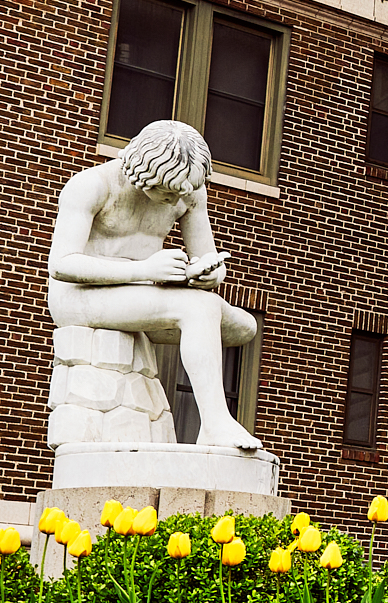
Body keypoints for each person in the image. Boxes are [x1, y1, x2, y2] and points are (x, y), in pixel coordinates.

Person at [47, 119, 260, 451]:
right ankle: (216, 424)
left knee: (243, 326)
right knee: (197, 308)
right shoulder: (92, 185)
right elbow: (62, 264)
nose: (172, 199)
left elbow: (207, 257)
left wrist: (207, 274)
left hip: (140, 294)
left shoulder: (186, 193)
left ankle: (216, 424)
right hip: (80, 297)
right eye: (166, 190)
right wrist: (143, 270)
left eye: (180, 192)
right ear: (142, 169)